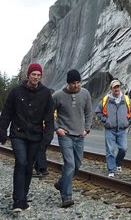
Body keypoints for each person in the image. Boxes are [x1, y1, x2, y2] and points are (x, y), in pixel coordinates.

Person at [0, 63, 55, 213]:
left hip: (36, 136)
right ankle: (17, 200)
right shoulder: (16, 92)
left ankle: (23, 197)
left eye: (38, 75)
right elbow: (7, 112)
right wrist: (2, 130)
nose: (36, 77)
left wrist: (48, 136)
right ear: (28, 75)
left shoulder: (46, 94)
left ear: (40, 77)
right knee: (21, 163)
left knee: (29, 166)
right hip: (18, 133)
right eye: (33, 74)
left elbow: (49, 117)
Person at [52, 68, 92, 208]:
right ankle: (66, 197)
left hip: (80, 135)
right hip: (66, 135)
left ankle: (61, 183)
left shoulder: (85, 94)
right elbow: (49, 114)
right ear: (68, 83)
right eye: (74, 83)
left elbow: (88, 112)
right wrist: (57, 128)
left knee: (77, 165)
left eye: (78, 82)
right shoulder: (57, 96)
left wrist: (87, 128)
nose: (76, 85)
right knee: (69, 165)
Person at [94, 78, 131, 177]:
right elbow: (97, 111)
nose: (117, 89)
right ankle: (111, 170)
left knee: (124, 148)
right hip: (110, 129)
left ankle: (118, 162)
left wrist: (128, 121)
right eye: (115, 87)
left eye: (118, 87)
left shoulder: (126, 99)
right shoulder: (106, 100)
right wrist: (105, 121)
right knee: (110, 150)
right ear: (111, 89)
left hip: (122, 129)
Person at [33, 81, 54, 179]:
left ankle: (40, 168)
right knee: (40, 149)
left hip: (46, 128)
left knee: (41, 148)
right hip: (39, 128)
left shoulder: (50, 104)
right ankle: (41, 168)